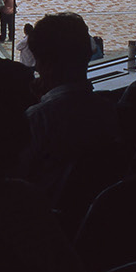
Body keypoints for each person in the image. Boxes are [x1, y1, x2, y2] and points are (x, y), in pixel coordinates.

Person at [17, 13, 121, 195]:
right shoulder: (108, 109)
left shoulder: (37, 120)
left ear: (43, 64)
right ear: (88, 54)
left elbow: (20, 177)